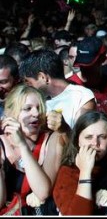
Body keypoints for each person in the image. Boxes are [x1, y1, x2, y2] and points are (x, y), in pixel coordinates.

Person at [52, 111, 107, 215]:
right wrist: (85, 172)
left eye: (102, 137)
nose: (95, 143)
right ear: (78, 141)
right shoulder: (68, 172)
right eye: (88, 137)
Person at [0, 84, 64, 214]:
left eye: (39, 108)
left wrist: (22, 146)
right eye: (27, 108)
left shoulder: (53, 139)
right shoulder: (1, 143)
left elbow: (42, 192)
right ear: (11, 114)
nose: (36, 113)